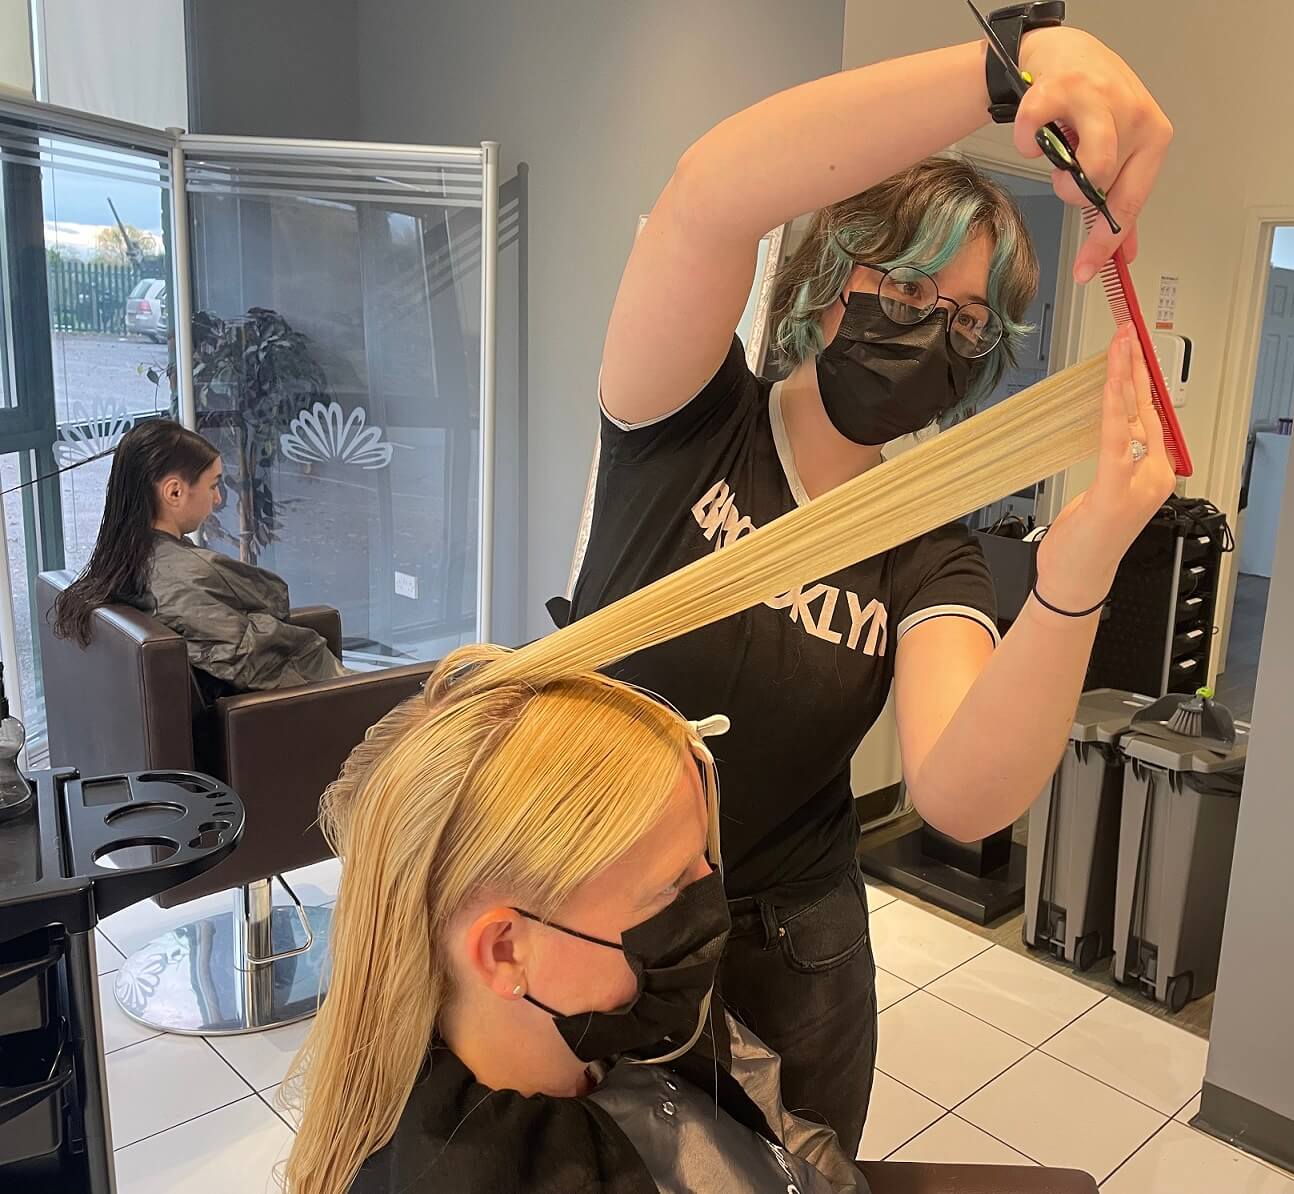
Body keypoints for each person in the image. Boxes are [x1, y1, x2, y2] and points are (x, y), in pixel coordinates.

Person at [568, 13, 1175, 1151]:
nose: (931, 334)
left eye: (961, 320)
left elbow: (956, 792)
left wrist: (1078, 566)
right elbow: (708, 195)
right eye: (905, 291)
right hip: (586, 916)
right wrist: (1006, 72)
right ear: (832, 272)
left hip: (789, 956)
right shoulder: (689, 416)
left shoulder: (923, 547)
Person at [282, 656, 867, 1193]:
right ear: (506, 951)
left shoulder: (623, 1022)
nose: (710, 895)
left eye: (705, 858)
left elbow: (773, 1136)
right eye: (668, 887)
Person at [51, 418, 348, 696]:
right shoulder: (182, 581)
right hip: (297, 710)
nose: (218, 499)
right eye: (213, 485)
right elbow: (254, 655)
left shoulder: (123, 562)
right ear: (175, 492)